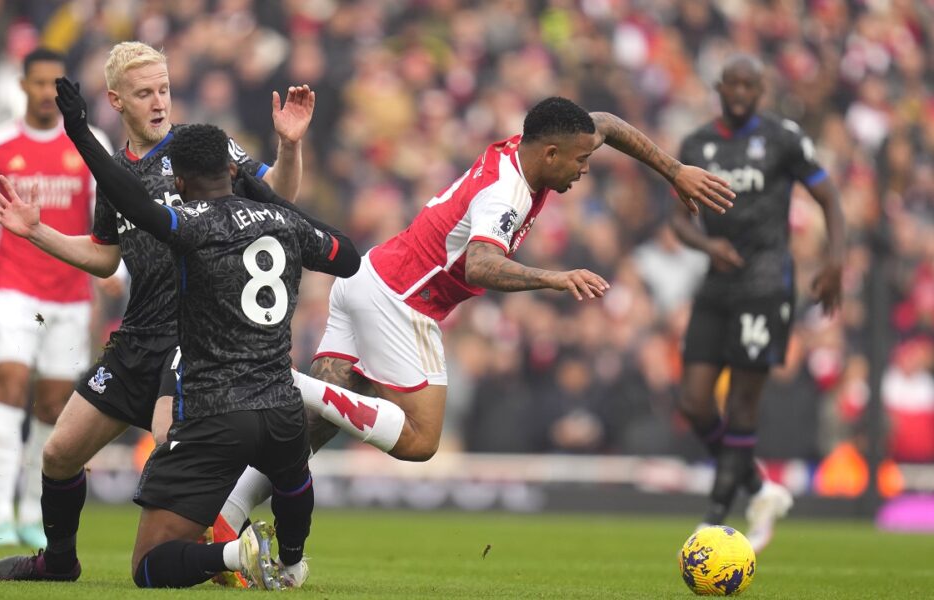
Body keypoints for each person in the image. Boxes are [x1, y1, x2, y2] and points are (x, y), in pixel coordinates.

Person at [213, 96, 736, 539]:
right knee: (420, 440)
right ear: (551, 153)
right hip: (401, 298)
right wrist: (554, 278)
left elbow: (606, 123)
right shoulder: (505, 194)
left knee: (310, 431)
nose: (585, 168)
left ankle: (225, 517)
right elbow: (481, 264)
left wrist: (675, 171)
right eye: (580, 160)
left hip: (369, 275)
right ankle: (285, 379)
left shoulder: (535, 148)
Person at [0, 82, 360, 588]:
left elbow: (137, 205)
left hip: (215, 402)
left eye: (163, 88)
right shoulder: (281, 221)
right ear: (233, 171)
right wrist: (274, 201)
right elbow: (347, 256)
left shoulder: (190, 223)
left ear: (179, 182)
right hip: (278, 402)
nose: (159, 100)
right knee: (293, 474)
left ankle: (234, 553)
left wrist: (79, 131)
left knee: (148, 565)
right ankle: (292, 562)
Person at [0, 48, 110, 549]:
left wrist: (118, 271)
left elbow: (108, 221)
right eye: (38, 83)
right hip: (13, 287)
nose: (46, 93)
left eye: (55, 84)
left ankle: (32, 510)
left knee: (52, 405)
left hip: (70, 295)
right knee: (10, 383)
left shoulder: (89, 144)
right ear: (22, 85)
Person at [670, 55, 845, 552]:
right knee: (693, 402)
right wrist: (706, 244)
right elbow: (677, 220)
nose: (741, 92)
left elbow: (829, 198)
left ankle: (714, 519)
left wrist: (835, 261)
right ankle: (760, 488)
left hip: (766, 282)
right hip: (717, 280)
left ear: (762, 90)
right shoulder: (696, 145)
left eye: (751, 85)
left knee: (742, 402)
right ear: (719, 87)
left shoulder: (782, 138)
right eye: (734, 84)